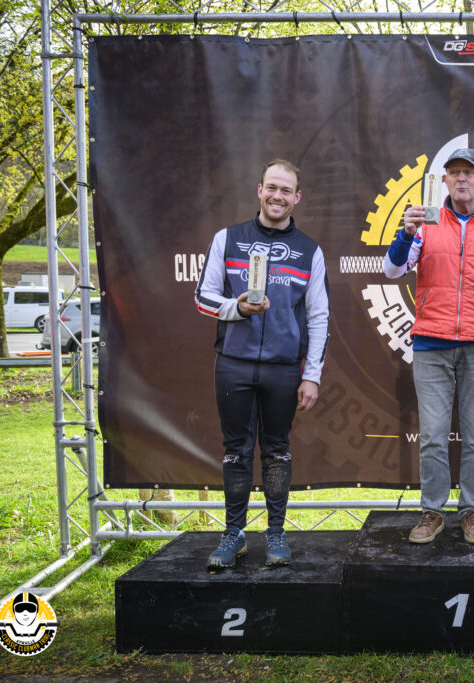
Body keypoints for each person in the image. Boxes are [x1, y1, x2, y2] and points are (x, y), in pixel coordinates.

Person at [195, 159, 329, 569]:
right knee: (236, 452)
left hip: (283, 369)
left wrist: (312, 375)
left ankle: (275, 532)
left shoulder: (309, 250)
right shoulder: (228, 239)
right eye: (272, 187)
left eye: (286, 190)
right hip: (233, 364)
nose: (277, 196)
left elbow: (319, 316)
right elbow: (203, 297)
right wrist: (236, 308)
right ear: (259, 190)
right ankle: (233, 534)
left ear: (297, 197)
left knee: (277, 451)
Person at [383, 148, 474, 545]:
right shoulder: (424, 224)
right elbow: (392, 270)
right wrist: (406, 233)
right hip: (431, 344)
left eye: (469, 172)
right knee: (433, 436)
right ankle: (433, 511)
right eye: (454, 171)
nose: (461, 178)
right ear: (443, 180)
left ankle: (472, 510)